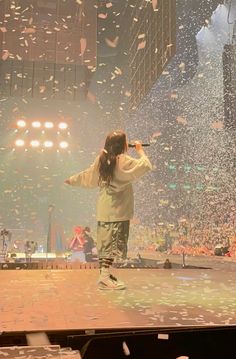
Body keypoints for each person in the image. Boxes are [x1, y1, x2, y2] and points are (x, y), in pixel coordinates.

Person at [65, 130, 152, 290]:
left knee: (106, 244)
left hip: (104, 208)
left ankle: (104, 275)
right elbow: (146, 165)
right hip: (119, 210)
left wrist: (72, 180)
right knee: (113, 246)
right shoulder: (124, 161)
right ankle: (104, 276)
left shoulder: (102, 159)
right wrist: (140, 149)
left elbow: (88, 175)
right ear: (123, 145)